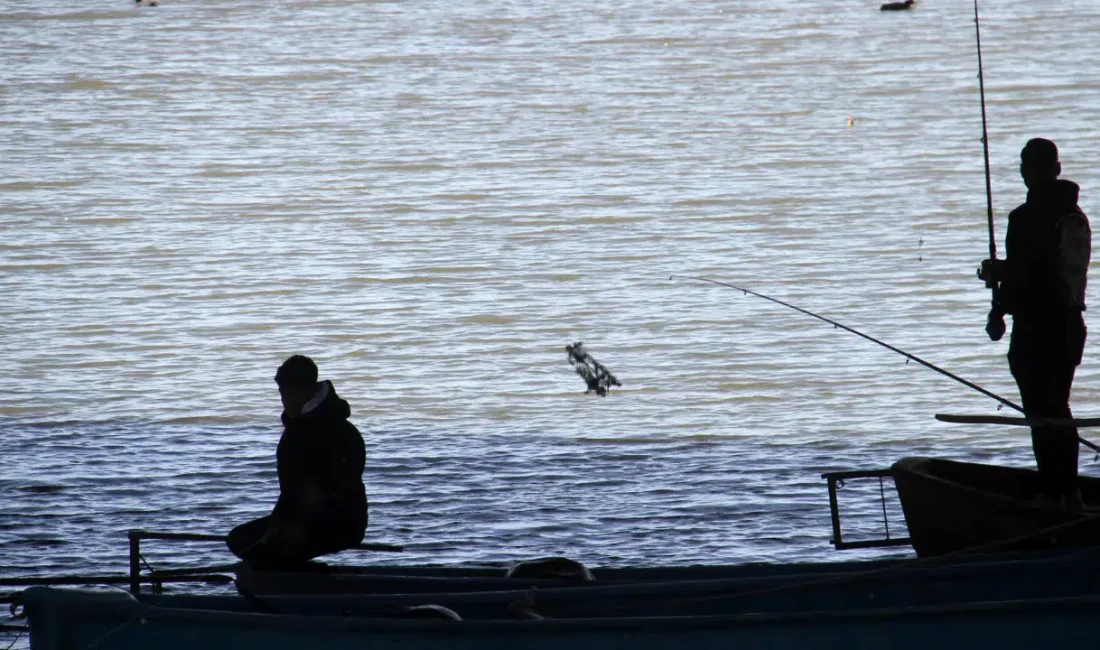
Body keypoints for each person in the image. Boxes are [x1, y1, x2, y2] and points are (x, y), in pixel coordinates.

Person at [980, 138, 1091, 505]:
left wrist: (998, 302)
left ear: (1026, 172)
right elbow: (1050, 271)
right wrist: (1007, 273)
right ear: (1057, 169)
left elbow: (1031, 278)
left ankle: (1053, 492)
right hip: (1071, 327)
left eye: (1032, 167)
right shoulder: (1075, 217)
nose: (1033, 174)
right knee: (1058, 407)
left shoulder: (1024, 218)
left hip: (1037, 330)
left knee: (1042, 413)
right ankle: (1068, 492)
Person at [227, 355, 368, 568]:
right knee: (240, 540)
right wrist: (274, 529)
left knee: (270, 553)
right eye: (282, 394)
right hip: (299, 518)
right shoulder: (295, 432)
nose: (285, 400)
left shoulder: (341, 432)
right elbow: (290, 493)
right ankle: (299, 574)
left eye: (290, 393)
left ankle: (303, 580)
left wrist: (296, 524)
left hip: (341, 521)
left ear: (307, 391)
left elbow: (335, 488)